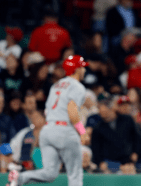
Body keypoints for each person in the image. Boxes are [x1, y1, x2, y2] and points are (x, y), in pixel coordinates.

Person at [7, 55, 90, 186]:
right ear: (77, 69)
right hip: (65, 129)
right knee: (75, 175)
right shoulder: (77, 87)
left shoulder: (55, 85)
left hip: (47, 131)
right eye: (82, 67)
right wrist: (82, 131)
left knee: (49, 173)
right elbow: (72, 110)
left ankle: (20, 178)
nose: (84, 70)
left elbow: (47, 110)